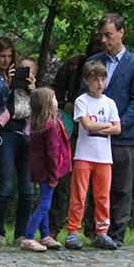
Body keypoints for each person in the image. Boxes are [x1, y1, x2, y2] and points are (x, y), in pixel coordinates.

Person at [81, 13, 134, 247]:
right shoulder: (95, 61)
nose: (104, 39)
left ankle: (116, 235)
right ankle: (94, 232)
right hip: (93, 138)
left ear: (121, 32)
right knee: (93, 188)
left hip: (121, 137)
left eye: (108, 34)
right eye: (101, 35)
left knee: (119, 188)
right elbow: (84, 95)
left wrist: (115, 127)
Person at [0, 37, 35, 246]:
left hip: (25, 133)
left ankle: (21, 233)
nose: (6, 60)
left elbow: (32, 106)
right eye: (2, 56)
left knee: (28, 189)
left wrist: (31, 89)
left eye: (10, 56)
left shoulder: (20, 73)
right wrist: (7, 87)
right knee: (6, 187)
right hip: (4, 135)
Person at [48, 39, 105, 240]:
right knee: (63, 180)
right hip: (70, 131)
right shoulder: (73, 66)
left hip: (95, 135)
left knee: (95, 186)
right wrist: (65, 105)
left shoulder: (106, 71)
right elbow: (54, 89)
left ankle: (93, 229)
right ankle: (54, 227)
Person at [66, 61, 121, 250]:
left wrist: (104, 127)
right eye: (95, 79)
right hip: (84, 155)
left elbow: (118, 128)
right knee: (79, 195)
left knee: (102, 196)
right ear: (86, 81)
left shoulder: (110, 103)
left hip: (104, 157)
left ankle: (102, 232)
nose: (99, 83)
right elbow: (87, 125)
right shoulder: (82, 101)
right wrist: (107, 126)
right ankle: (73, 231)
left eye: (103, 79)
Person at [20, 87, 71, 252]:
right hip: (49, 171)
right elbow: (53, 153)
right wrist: (54, 174)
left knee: (44, 201)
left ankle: (45, 235)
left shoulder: (38, 125)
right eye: (54, 98)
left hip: (40, 170)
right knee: (44, 204)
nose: (57, 102)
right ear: (48, 104)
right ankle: (28, 237)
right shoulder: (52, 126)